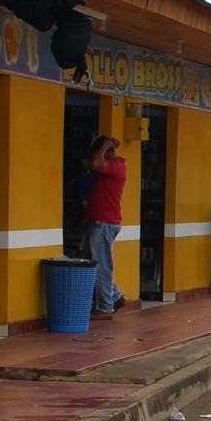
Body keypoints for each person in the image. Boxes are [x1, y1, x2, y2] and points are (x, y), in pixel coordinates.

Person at [83, 135, 129, 316]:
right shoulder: (107, 170)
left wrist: (104, 146)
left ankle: (105, 306)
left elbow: (95, 163)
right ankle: (115, 296)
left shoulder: (116, 166)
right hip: (100, 221)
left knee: (101, 264)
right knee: (93, 262)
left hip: (104, 223)